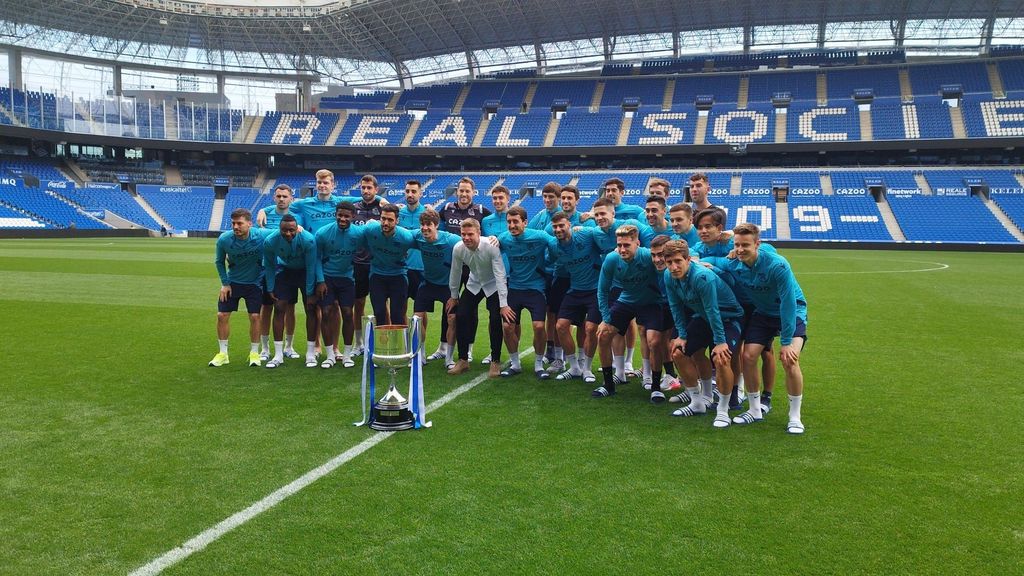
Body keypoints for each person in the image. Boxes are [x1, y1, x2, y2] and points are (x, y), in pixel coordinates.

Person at [724, 223, 809, 434]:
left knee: (790, 359)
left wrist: (786, 342)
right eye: (737, 245)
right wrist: (700, 262)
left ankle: (795, 416)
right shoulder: (735, 264)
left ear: (757, 244)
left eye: (745, 245)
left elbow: (788, 303)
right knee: (748, 356)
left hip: (792, 310)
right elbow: (716, 264)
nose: (740, 249)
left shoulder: (777, 265)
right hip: (763, 313)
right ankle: (754, 410)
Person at [662, 239, 745, 428]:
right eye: (669, 262)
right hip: (704, 317)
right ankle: (698, 401)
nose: (674, 267)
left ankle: (722, 410)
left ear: (688, 259)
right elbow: (675, 306)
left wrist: (720, 342)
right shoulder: (668, 276)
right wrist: (682, 335)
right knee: (678, 352)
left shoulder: (702, 277)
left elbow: (713, 310)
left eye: (678, 261)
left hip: (729, 318)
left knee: (721, 358)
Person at [592, 225, 666, 400]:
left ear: (637, 243)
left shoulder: (648, 256)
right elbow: (602, 290)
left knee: (654, 341)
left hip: (651, 302)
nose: (622, 249)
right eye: (619, 245)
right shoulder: (611, 259)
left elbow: (672, 257)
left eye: (627, 245)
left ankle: (655, 386)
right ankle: (608, 385)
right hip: (626, 300)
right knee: (603, 334)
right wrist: (606, 319)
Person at [496, 206, 558, 379]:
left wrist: (549, 260)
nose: (512, 225)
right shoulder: (504, 238)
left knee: (538, 327)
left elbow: (556, 244)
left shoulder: (539, 236)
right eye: (509, 222)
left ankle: (539, 365)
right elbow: (491, 251)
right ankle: (515, 364)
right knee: (507, 327)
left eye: (515, 221)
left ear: (525, 222)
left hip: (536, 289)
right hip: (514, 288)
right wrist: (492, 239)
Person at [447, 218, 512, 377]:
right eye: (463, 234)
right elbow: (455, 272)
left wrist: (503, 304)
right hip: (474, 283)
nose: (466, 238)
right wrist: (454, 296)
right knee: (461, 315)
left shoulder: (491, 246)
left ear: (479, 233)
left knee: (495, 319)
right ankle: (463, 360)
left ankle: (495, 361)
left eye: (470, 234)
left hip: (493, 284)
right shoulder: (458, 248)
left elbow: (500, 274)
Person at [210, 208, 271, 367]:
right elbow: (219, 261)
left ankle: (254, 353)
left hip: (254, 283)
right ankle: (223, 354)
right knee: (222, 315)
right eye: (233, 223)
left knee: (255, 317)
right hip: (233, 282)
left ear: (249, 224)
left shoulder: (260, 235)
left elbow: (280, 232)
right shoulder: (224, 239)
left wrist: (299, 227)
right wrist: (225, 283)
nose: (235, 227)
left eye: (239, 223)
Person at [440, 177, 491, 363]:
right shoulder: (446, 209)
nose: (463, 194)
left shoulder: (481, 211)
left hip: (473, 268)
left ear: (473, 193)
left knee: (471, 309)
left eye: (467, 191)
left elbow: (488, 235)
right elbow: (435, 226)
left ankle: (469, 348)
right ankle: (443, 347)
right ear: (457, 192)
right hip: (453, 265)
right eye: (461, 190)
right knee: (449, 305)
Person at [549, 211, 603, 384]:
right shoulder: (555, 246)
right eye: (555, 226)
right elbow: (551, 261)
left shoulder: (586, 234)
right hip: (575, 289)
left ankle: (587, 368)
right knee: (561, 326)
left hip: (595, 289)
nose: (558, 229)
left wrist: (593, 216)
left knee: (590, 328)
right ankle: (574, 367)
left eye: (561, 225)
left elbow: (605, 232)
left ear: (569, 225)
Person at [262, 215, 320, 368]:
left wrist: (310, 293)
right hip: (286, 271)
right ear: (279, 229)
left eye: (291, 230)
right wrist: (270, 287)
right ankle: (278, 354)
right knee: (279, 307)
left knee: (310, 308)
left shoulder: (308, 240)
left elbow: (311, 267)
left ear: (297, 229)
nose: (288, 233)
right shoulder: (270, 241)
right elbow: (269, 266)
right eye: (284, 230)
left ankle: (310, 353)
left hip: (305, 272)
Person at [256, 183, 305, 361]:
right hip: (268, 266)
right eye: (278, 196)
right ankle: (265, 348)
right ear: (273, 197)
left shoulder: (298, 217)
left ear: (291, 198)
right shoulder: (265, 214)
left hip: (288, 268)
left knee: (290, 307)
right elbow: (262, 236)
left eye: (285, 196)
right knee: (267, 307)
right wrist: (262, 209)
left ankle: (289, 346)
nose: (282, 199)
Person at [314, 202, 365, 368]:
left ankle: (347, 355)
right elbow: (316, 258)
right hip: (327, 278)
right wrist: (320, 280)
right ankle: (330, 355)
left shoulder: (359, 234)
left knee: (348, 313)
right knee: (326, 312)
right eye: (340, 215)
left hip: (347, 278)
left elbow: (372, 246)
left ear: (353, 216)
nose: (342, 219)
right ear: (335, 215)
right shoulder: (323, 233)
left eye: (346, 216)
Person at [412, 209, 461, 367]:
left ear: (437, 225)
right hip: (427, 284)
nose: (425, 228)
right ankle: (420, 355)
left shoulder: (451, 240)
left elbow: (469, 242)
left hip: (447, 286)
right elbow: (400, 233)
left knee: (452, 319)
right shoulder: (418, 237)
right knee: (416, 320)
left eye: (429, 225)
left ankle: (449, 358)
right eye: (422, 224)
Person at [357, 204, 416, 326]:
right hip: (377, 275)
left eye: (390, 220)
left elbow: (424, 243)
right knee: (379, 314)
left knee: (397, 316)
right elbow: (354, 234)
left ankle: (400, 339)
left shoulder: (406, 237)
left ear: (397, 221)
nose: (385, 223)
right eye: (383, 218)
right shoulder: (370, 229)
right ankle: (381, 339)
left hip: (398, 276)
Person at [351, 174, 384, 352]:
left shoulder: (383, 208)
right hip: (358, 263)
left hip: (378, 263)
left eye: (369, 187)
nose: (365, 190)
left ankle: (383, 343)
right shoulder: (354, 208)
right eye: (363, 187)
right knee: (358, 304)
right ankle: (359, 343)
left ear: (376, 189)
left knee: (382, 306)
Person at [398, 180, 426, 302]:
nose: (410, 194)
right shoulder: (398, 213)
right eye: (407, 191)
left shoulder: (427, 214)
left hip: (421, 267)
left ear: (420, 194)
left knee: (421, 306)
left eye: (414, 191)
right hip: (402, 267)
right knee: (401, 304)